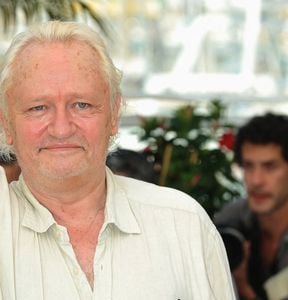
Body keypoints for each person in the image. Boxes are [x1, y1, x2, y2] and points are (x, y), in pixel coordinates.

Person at [0, 21, 235, 299]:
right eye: (38, 107)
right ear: (6, 124)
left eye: (82, 105)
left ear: (113, 116)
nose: (61, 128)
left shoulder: (183, 224)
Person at [214, 113, 288, 300]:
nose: (256, 180)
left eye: (270, 167)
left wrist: (243, 288)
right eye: (248, 166)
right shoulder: (228, 219)